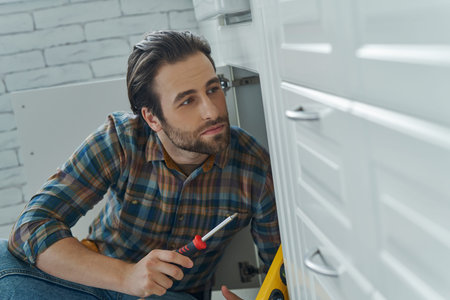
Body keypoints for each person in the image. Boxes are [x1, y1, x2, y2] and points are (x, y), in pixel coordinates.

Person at [0, 30, 280, 300]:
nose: (212, 111)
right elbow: (31, 227)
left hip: (172, 295)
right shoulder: (121, 140)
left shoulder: (254, 168)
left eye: (213, 88)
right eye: (187, 101)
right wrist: (126, 276)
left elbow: (284, 269)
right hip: (98, 280)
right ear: (152, 118)